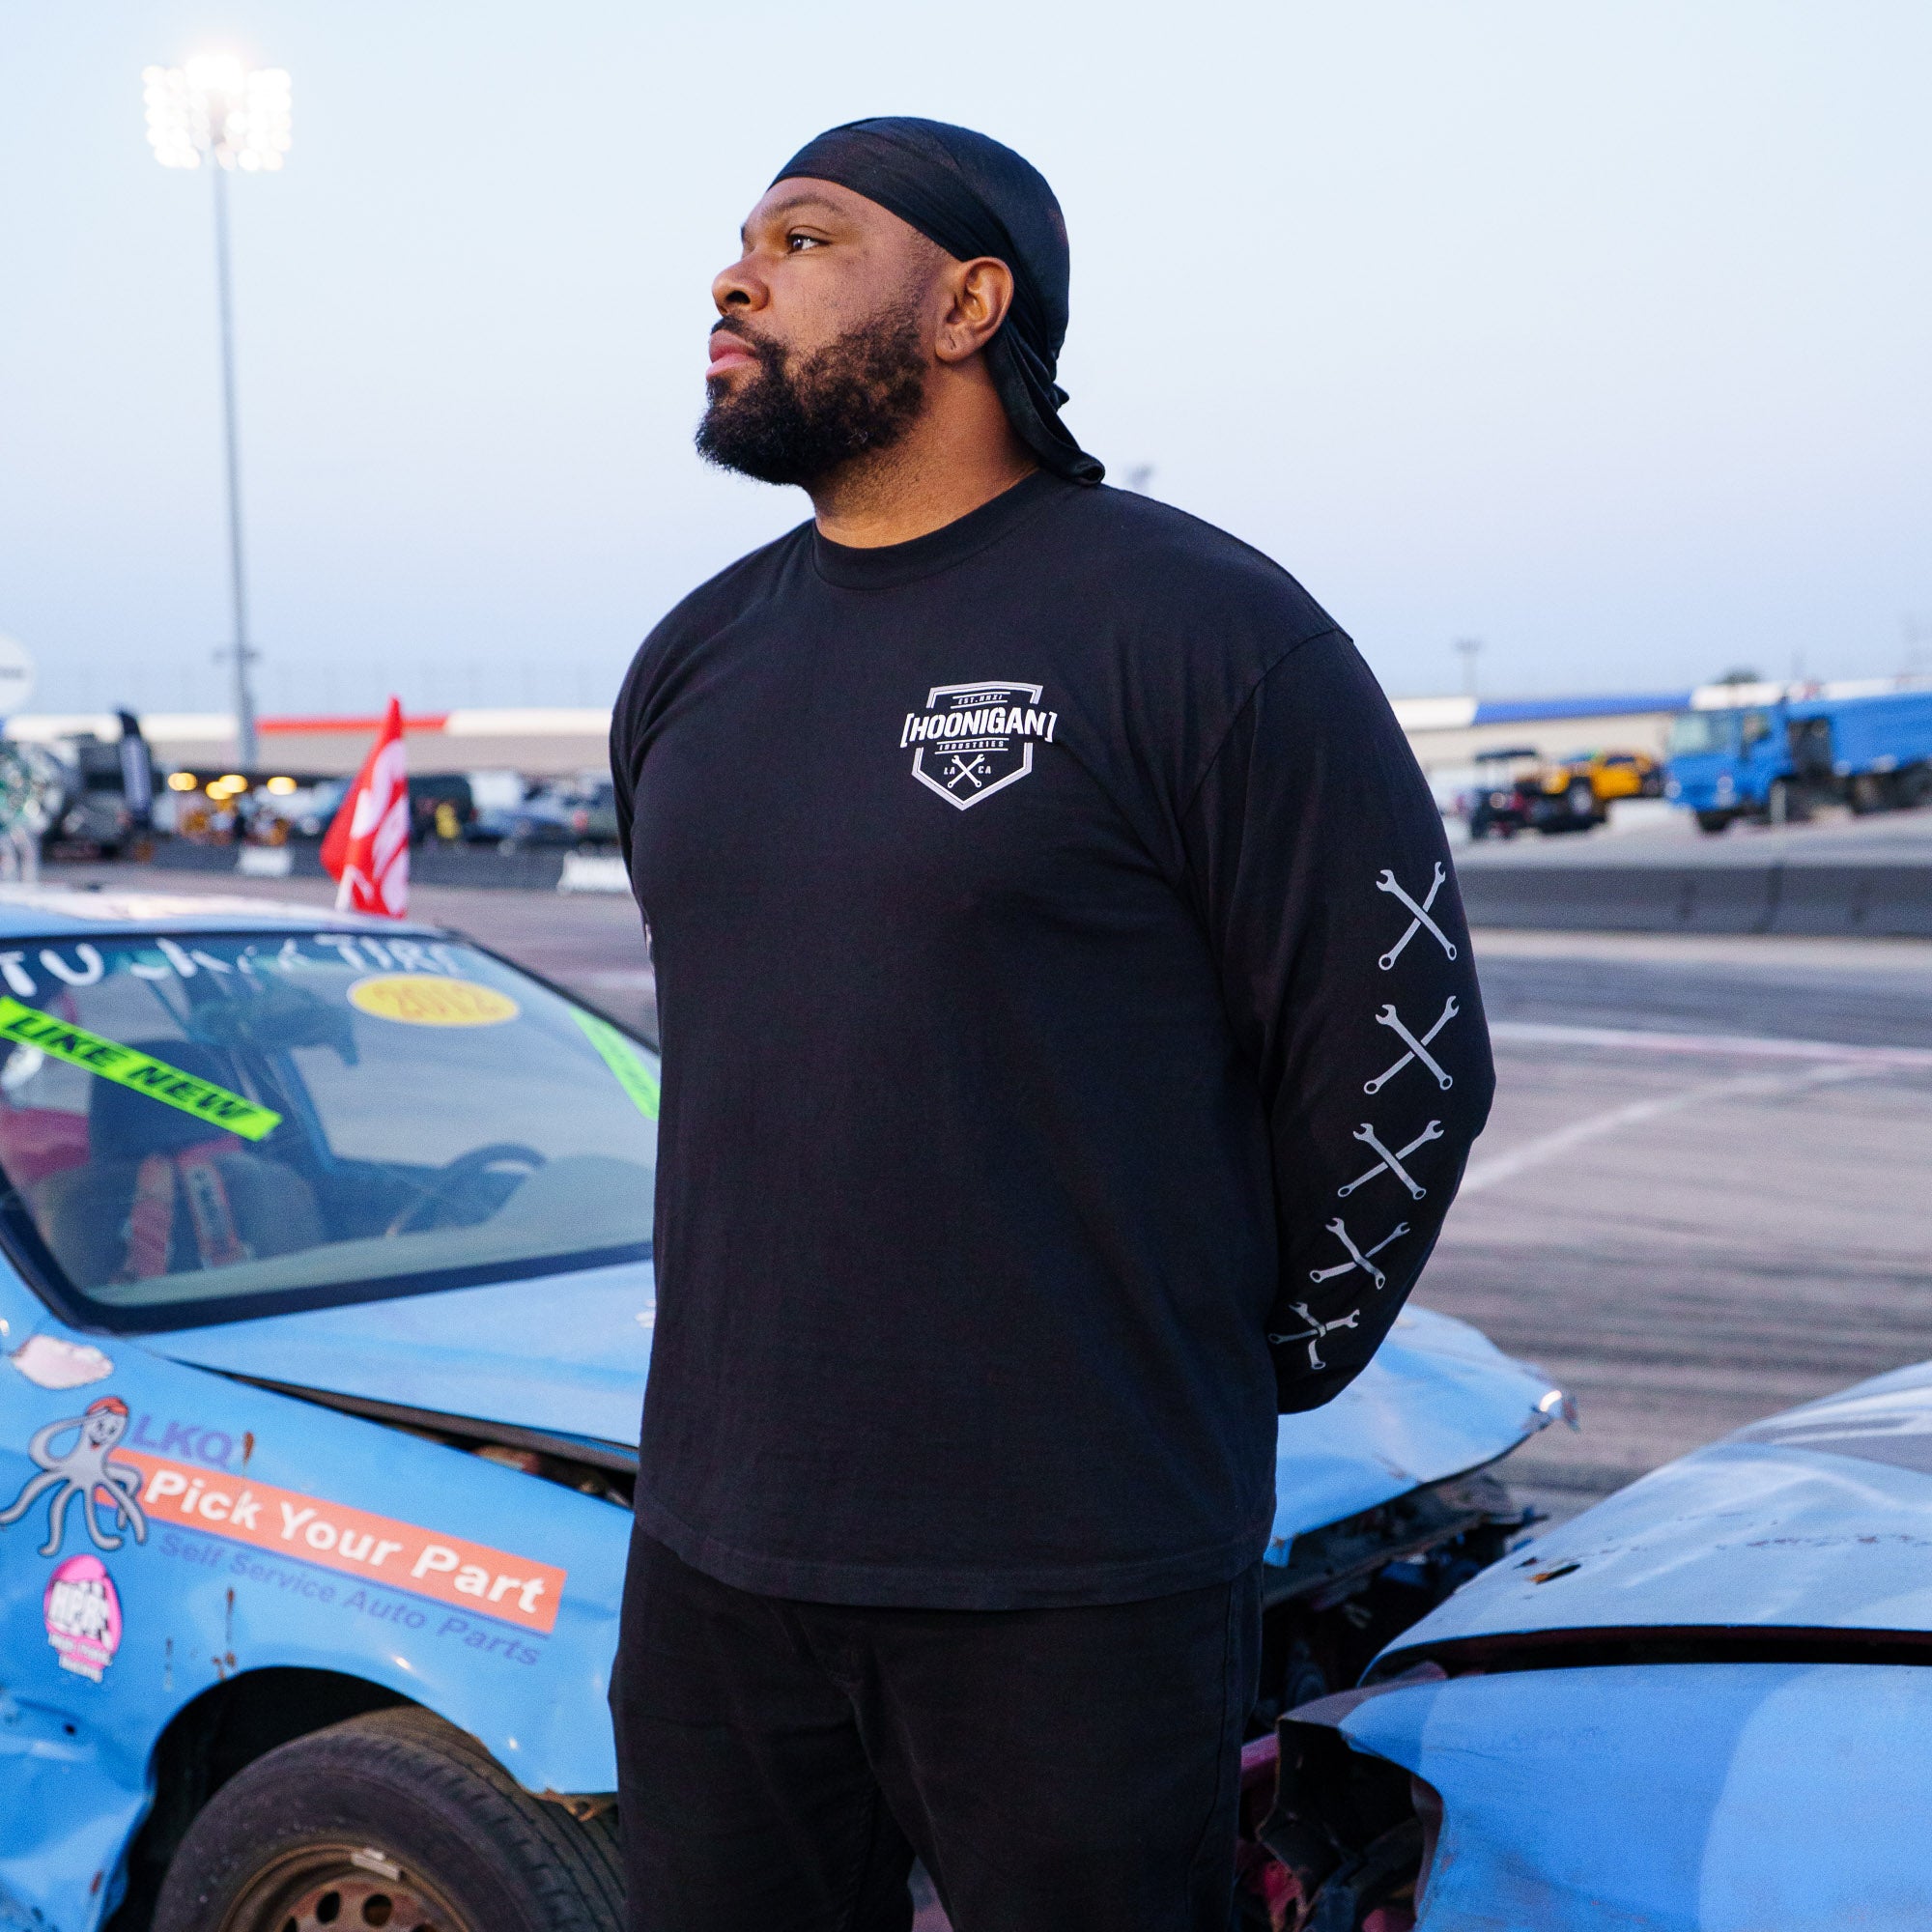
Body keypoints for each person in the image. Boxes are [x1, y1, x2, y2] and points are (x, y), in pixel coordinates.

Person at [608, 116, 1492, 1932]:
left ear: (968, 304)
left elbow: (1405, 1058)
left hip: (1075, 1579)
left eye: (805, 238)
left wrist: (1232, 1371)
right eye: (743, 243)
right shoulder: (692, 661)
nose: (735, 277)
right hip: (715, 1555)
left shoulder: (1198, 627)